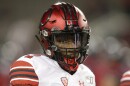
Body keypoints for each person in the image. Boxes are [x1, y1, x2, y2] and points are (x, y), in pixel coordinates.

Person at [9, 2, 96, 86]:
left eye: (76, 40)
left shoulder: (87, 75)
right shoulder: (33, 68)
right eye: (63, 40)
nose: (71, 46)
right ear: (47, 39)